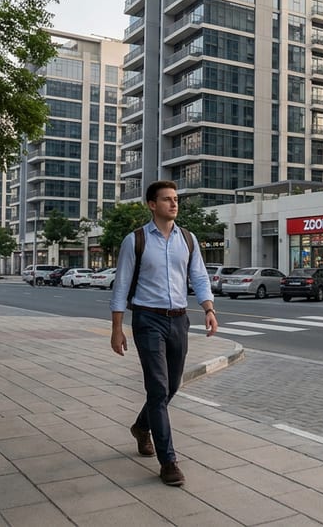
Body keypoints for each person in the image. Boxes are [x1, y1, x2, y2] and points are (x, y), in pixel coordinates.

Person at [110, 180, 218, 487]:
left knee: (172, 386)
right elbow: (120, 286)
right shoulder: (136, 240)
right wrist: (117, 329)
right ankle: (168, 460)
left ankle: (141, 427)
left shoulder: (188, 238)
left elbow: (198, 275)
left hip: (179, 320)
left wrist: (208, 309)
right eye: (167, 199)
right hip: (147, 319)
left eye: (176, 199)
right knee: (157, 388)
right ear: (151, 204)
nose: (174, 204)